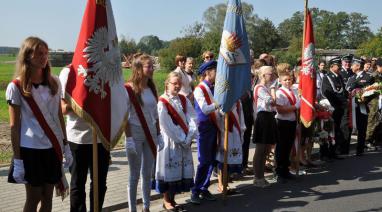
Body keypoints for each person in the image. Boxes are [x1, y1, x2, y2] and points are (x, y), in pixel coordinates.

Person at [6, 37, 72, 212]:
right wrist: (18, 160)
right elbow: (14, 126)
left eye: (46, 53)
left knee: (48, 197)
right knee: (34, 197)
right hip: (30, 150)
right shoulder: (16, 87)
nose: (44, 57)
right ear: (27, 57)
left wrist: (65, 145)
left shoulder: (54, 82)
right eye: (39, 54)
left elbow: (59, 117)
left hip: (51, 148)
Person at [60, 70, 111, 211]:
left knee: (100, 184)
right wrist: (84, 103)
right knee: (78, 183)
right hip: (77, 139)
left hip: (101, 138)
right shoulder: (68, 72)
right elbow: (62, 108)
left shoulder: (104, 70)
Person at [124, 53, 164, 212]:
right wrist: (128, 138)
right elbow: (124, 116)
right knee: (134, 174)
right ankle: (132, 209)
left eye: (152, 65)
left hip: (151, 133)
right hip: (135, 132)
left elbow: (155, 115)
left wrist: (159, 133)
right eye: (149, 66)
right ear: (139, 68)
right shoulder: (129, 88)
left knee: (147, 174)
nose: (152, 68)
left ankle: (146, 207)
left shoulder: (152, 88)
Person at [155, 72, 198, 211]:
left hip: (184, 139)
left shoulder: (183, 99)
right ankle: (166, 200)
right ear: (167, 84)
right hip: (170, 140)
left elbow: (192, 118)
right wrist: (181, 138)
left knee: (178, 170)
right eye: (174, 83)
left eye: (179, 83)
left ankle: (173, 199)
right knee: (169, 170)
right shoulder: (162, 101)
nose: (177, 86)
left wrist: (189, 136)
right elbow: (166, 124)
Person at [190, 60, 220, 204]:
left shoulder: (213, 88)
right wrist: (218, 104)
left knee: (212, 159)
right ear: (207, 73)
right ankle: (195, 190)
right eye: (215, 71)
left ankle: (204, 187)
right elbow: (205, 108)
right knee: (203, 160)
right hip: (204, 128)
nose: (217, 73)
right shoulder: (200, 89)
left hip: (213, 126)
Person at [252, 66, 278, 188]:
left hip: (268, 117)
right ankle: (257, 177)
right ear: (263, 75)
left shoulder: (266, 88)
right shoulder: (259, 87)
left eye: (273, 74)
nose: (272, 76)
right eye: (270, 74)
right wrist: (273, 89)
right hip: (262, 118)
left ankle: (261, 176)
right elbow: (272, 101)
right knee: (260, 149)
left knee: (266, 149)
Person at [274, 71, 300, 183]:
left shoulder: (293, 91)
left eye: (289, 79)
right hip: (282, 122)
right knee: (281, 148)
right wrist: (295, 107)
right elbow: (280, 110)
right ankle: (279, 172)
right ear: (280, 81)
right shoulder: (279, 93)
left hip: (292, 121)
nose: (288, 81)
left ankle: (286, 170)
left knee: (288, 147)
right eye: (285, 80)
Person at [321, 57, 349, 158]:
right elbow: (327, 93)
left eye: (340, 65)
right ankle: (328, 152)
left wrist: (346, 99)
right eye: (338, 65)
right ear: (332, 66)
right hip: (334, 107)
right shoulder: (327, 77)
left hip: (342, 106)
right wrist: (337, 104)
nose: (340, 67)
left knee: (341, 128)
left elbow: (343, 90)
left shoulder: (339, 76)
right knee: (332, 129)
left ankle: (338, 150)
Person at [346, 57, 374, 156]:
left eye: (353, 64)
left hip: (361, 106)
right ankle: (345, 149)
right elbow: (347, 90)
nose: (351, 66)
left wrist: (365, 98)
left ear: (357, 66)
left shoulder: (368, 77)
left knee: (362, 128)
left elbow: (373, 92)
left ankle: (360, 149)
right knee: (350, 127)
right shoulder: (351, 78)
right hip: (351, 107)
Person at [216, 100, 246, 192]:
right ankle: (221, 184)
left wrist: (242, 130)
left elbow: (241, 117)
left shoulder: (237, 102)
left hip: (235, 132)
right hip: (224, 131)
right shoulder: (221, 99)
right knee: (222, 158)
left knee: (230, 159)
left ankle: (227, 182)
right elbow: (217, 116)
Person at [366, 58, 382, 148]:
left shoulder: (380, 75)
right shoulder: (373, 75)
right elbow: (367, 88)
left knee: (378, 120)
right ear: (379, 66)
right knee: (372, 120)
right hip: (373, 101)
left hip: (379, 100)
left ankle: (376, 140)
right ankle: (368, 140)